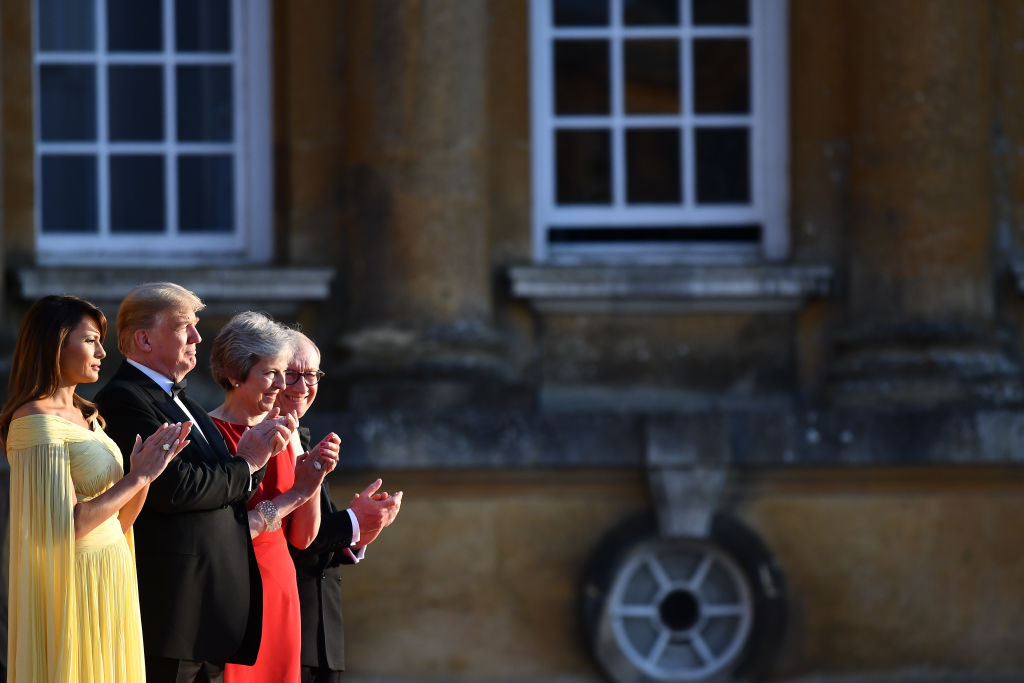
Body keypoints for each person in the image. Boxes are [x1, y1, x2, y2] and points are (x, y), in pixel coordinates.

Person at [94, 283, 297, 683]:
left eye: (196, 325)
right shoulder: (125, 398)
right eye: (184, 326)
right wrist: (250, 461)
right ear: (144, 338)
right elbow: (175, 489)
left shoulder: (179, 398)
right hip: (173, 613)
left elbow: (219, 484)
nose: (197, 337)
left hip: (207, 615)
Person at [1, 295, 191, 682]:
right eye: (90, 340)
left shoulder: (89, 416)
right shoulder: (35, 422)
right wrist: (137, 477)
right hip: (76, 582)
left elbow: (120, 522)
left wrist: (147, 473)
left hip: (113, 568)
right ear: (55, 343)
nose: (103, 351)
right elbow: (64, 528)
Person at [207, 312, 340, 683]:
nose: (285, 385)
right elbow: (221, 531)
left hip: (280, 587)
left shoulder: (287, 430)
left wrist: (313, 478)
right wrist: (295, 494)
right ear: (235, 373)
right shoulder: (209, 432)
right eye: (276, 373)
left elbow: (302, 537)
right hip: (234, 586)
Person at [280, 330, 402, 683]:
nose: (303, 386)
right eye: (292, 373)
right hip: (284, 627)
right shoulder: (257, 441)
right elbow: (281, 534)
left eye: (312, 375)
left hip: (322, 631)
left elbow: (314, 531)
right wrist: (351, 522)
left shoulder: (301, 435)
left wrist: (360, 531)